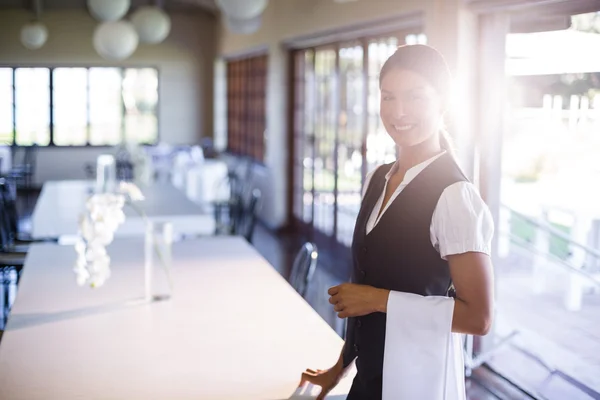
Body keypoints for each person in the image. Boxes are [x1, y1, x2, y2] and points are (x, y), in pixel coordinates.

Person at [298, 44, 495, 399]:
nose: (398, 111)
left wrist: (378, 299)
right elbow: (365, 287)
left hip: (416, 382)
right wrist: (339, 368)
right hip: (369, 379)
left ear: (443, 103)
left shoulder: (454, 196)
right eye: (388, 97)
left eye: (415, 97)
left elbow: (478, 318)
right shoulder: (378, 178)